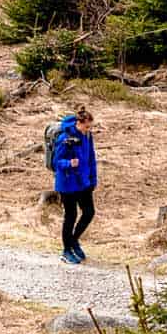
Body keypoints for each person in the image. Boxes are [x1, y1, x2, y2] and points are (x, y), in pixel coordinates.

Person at [53, 108, 97, 264]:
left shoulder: (87, 136)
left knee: (89, 212)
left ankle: (73, 241)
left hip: (84, 182)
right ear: (79, 123)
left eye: (90, 127)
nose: (88, 130)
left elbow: (91, 158)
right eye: (87, 127)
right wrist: (69, 163)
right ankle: (66, 251)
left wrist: (93, 180)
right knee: (70, 216)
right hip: (68, 183)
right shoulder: (65, 138)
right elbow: (56, 162)